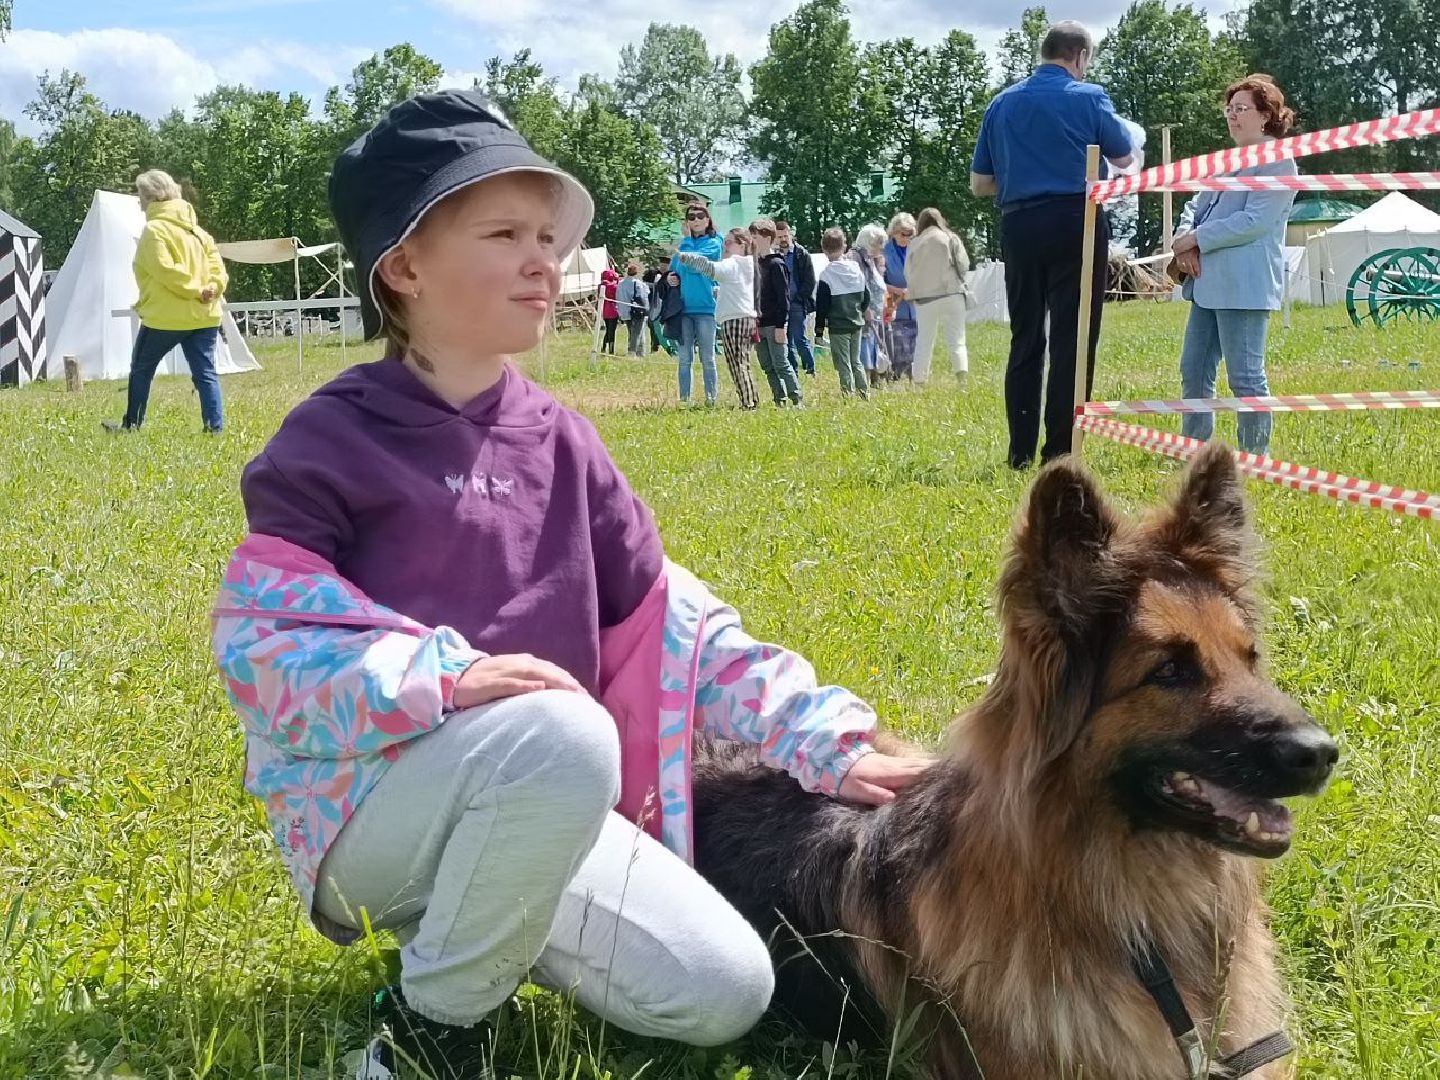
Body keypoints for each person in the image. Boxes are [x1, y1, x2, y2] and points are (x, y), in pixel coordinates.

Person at [212, 91, 926, 1078]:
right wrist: (448, 680)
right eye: (505, 234)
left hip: (542, 794)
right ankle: (429, 1036)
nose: (543, 261)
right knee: (561, 730)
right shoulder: (331, 438)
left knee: (724, 991)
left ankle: (482, 931)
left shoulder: (566, 445)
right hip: (369, 817)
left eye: (548, 237)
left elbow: (686, 634)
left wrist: (824, 740)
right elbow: (264, 643)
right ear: (404, 267)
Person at [970, 20, 1136, 469]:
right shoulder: (1090, 97)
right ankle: (1060, 451)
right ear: (1080, 56)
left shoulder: (1001, 103)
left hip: (1020, 224)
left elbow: (979, 184)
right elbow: (1125, 157)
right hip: (1076, 221)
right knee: (1073, 336)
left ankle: (1019, 452)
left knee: (1025, 336)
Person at [1170, 75, 1298, 455]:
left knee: (1245, 379)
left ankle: (1255, 459)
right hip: (1205, 284)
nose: (1232, 116)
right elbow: (1194, 205)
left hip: (1244, 286)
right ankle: (1195, 455)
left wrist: (1197, 238)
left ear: (1266, 116)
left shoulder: (1279, 162)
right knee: (1194, 372)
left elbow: (1254, 221)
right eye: (1229, 109)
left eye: (1241, 109)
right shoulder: (1226, 162)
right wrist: (1183, 241)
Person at [102, 169, 228, 434]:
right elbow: (218, 268)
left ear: (152, 197)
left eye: (140, 196)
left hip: (166, 317)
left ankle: (132, 425)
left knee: (141, 369)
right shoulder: (199, 232)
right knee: (206, 373)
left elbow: (165, 270)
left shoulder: (154, 230)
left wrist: (195, 290)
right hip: (205, 315)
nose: (139, 203)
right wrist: (212, 288)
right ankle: (215, 428)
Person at [677, 227, 760, 409]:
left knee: (736, 364)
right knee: (743, 363)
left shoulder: (733, 263)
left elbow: (710, 268)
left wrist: (688, 257)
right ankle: (752, 399)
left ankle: (748, 404)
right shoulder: (746, 264)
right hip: (746, 318)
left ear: (742, 245)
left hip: (735, 319)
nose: (725, 247)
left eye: (729, 243)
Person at [905, 208, 970, 387]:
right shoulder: (951, 237)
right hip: (951, 293)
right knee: (957, 340)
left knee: (924, 341)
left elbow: (908, 272)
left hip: (925, 298)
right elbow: (963, 265)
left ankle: (919, 382)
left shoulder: (915, 242)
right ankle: (962, 381)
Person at [669, 202, 723, 404]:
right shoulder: (685, 244)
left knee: (708, 357)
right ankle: (685, 400)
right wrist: (670, 278)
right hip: (684, 308)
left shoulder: (715, 242)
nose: (696, 220)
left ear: (708, 220)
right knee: (684, 358)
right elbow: (675, 268)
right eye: (691, 217)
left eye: (700, 216)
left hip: (706, 308)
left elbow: (693, 263)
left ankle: (711, 399)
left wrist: (686, 243)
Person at [750, 218, 803, 408]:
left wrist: (781, 325)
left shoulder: (776, 264)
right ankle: (778, 398)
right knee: (767, 365)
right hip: (759, 323)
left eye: (755, 237)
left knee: (781, 363)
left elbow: (783, 298)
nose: (752, 241)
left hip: (774, 323)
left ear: (766, 238)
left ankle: (796, 398)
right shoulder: (755, 264)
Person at [813, 227, 870, 399]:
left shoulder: (826, 275)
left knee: (843, 363)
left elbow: (822, 307)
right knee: (856, 361)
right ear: (844, 247)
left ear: (824, 250)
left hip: (838, 326)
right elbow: (866, 296)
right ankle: (864, 393)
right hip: (856, 322)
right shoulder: (856, 269)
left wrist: (819, 331)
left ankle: (848, 395)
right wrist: (859, 312)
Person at [775, 220, 818, 377]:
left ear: (790, 234)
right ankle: (793, 370)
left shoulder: (801, 254)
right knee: (786, 340)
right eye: (779, 237)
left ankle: (810, 368)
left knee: (799, 337)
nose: (783, 239)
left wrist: (800, 298)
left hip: (797, 303)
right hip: (781, 304)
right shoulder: (775, 255)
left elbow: (810, 280)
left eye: (785, 236)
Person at [882, 213, 919, 382]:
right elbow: (879, 280)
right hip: (893, 303)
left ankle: (915, 376)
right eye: (904, 234)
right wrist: (897, 290)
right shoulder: (885, 251)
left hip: (915, 303)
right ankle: (894, 376)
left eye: (910, 234)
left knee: (915, 343)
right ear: (894, 232)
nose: (907, 238)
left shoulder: (917, 249)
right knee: (897, 343)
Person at [615, 262, 649, 357]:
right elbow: (644, 296)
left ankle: (638, 351)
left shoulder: (620, 284)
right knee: (638, 332)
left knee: (631, 331)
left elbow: (617, 297)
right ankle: (634, 352)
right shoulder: (638, 283)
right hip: (637, 310)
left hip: (624, 311)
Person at [599, 267, 620, 355]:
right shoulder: (613, 286)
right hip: (613, 311)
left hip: (605, 312)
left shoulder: (601, 286)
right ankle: (611, 350)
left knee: (608, 330)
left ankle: (603, 347)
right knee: (612, 331)